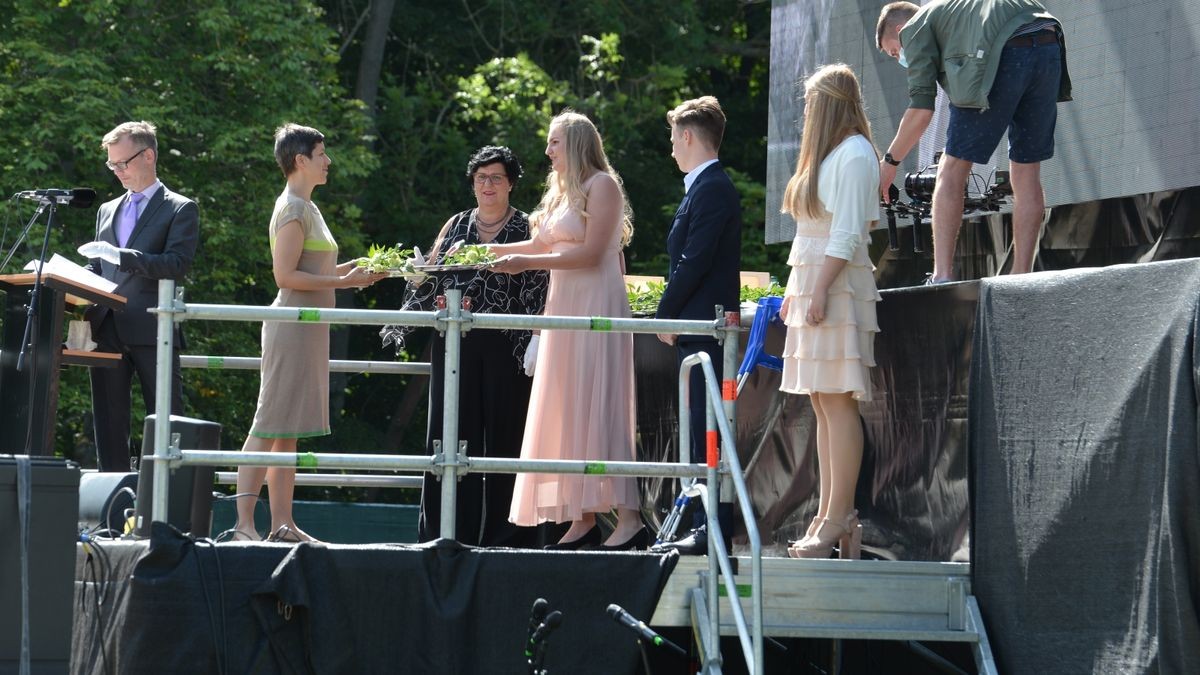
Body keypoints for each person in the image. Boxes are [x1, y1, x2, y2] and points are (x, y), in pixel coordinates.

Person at [487, 111, 646, 550]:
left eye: (554, 142)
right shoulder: (562, 195)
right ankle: (584, 515)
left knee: (603, 401)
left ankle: (629, 516)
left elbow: (592, 255)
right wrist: (488, 251)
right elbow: (538, 246)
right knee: (571, 404)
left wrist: (526, 262)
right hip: (565, 303)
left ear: (575, 143)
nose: (547, 151)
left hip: (596, 301)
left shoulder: (603, 186)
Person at [380, 146, 548, 547]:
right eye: (481, 178)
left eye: (496, 177)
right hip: (454, 342)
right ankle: (446, 533)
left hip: (507, 346)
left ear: (510, 183)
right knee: (449, 436)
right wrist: (414, 286)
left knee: (506, 439)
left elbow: (541, 287)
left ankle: (508, 538)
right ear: (472, 184)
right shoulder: (455, 224)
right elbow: (430, 276)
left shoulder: (528, 228)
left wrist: (538, 338)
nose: (488, 185)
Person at [229, 123, 385, 542]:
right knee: (268, 424)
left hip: (309, 328)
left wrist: (354, 272)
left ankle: (283, 524)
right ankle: (244, 524)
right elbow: (285, 276)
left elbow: (313, 271)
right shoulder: (294, 207)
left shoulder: (308, 207)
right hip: (292, 326)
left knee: (287, 430)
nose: (328, 161)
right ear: (300, 161)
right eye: (321, 154)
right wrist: (346, 283)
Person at [875, 0, 1071, 283]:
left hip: (1007, 49)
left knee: (951, 169)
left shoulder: (915, 29)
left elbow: (920, 111)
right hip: (1049, 41)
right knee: (1026, 170)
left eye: (895, 51)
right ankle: (1021, 279)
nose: (900, 59)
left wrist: (890, 162)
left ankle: (942, 276)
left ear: (900, 28)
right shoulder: (957, 15)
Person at [779, 64, 881, 560]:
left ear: (829, 104)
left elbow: (846, 234)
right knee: (822, 402)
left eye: (810, 103)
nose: (806, 113)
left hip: (836, 284)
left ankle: (840, 514)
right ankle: (828, 512)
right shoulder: (835, 155)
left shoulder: (857, 154)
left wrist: (817, 289)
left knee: (838, 400)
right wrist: (798, 292)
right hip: (818, 282)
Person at [78, 121, 199, 472]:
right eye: (111, 165)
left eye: (123, 163)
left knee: (166, 425)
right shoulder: (107, 209)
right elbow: (100, 269)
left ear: (148, 155)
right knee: (109, 427)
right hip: (107, 329)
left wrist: (122, 256)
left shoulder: (180, 208)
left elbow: (176, 264)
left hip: (153, 330)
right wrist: (69, 276)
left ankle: (161, 514)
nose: (117, 171)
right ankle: (112, 516)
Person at [650, 96, 742, 557]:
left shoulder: (712, 189)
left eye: (672, 139)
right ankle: (701, 526)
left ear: (688, 136)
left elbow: (694, 262)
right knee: (699, 433)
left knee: (708, 433)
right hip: (696, 326)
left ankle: (712, 531)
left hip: (703, 327)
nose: (670, 149)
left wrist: (665, 312)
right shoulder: (702, 188)